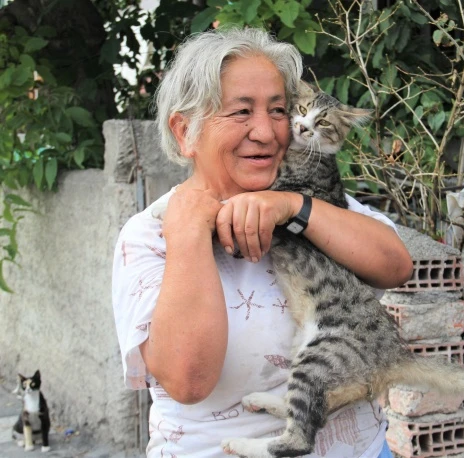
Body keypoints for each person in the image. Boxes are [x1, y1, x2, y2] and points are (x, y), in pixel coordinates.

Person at [111, 27, 414, 458]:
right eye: (240, 112)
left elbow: (397, 265)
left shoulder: (315, 195)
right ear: (185, 131)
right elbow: (188, 381)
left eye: (277, 110)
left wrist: (292, 206)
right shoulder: (148, 236)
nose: (267, 133)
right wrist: (188, 233)